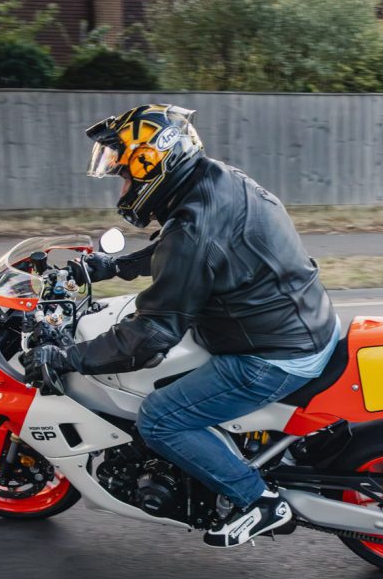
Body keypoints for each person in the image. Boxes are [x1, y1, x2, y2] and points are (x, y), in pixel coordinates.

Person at [22, 104, 339, 547]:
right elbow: (183, 252)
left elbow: (153, 333)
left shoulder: (193, 225)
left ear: (153, 163)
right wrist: (112, 267)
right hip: (293, 319)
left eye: (125, 175)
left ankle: (260, 502)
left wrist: (69, 357)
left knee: (160, 418)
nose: (123, 188)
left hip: (271, 354)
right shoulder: (214, 182)